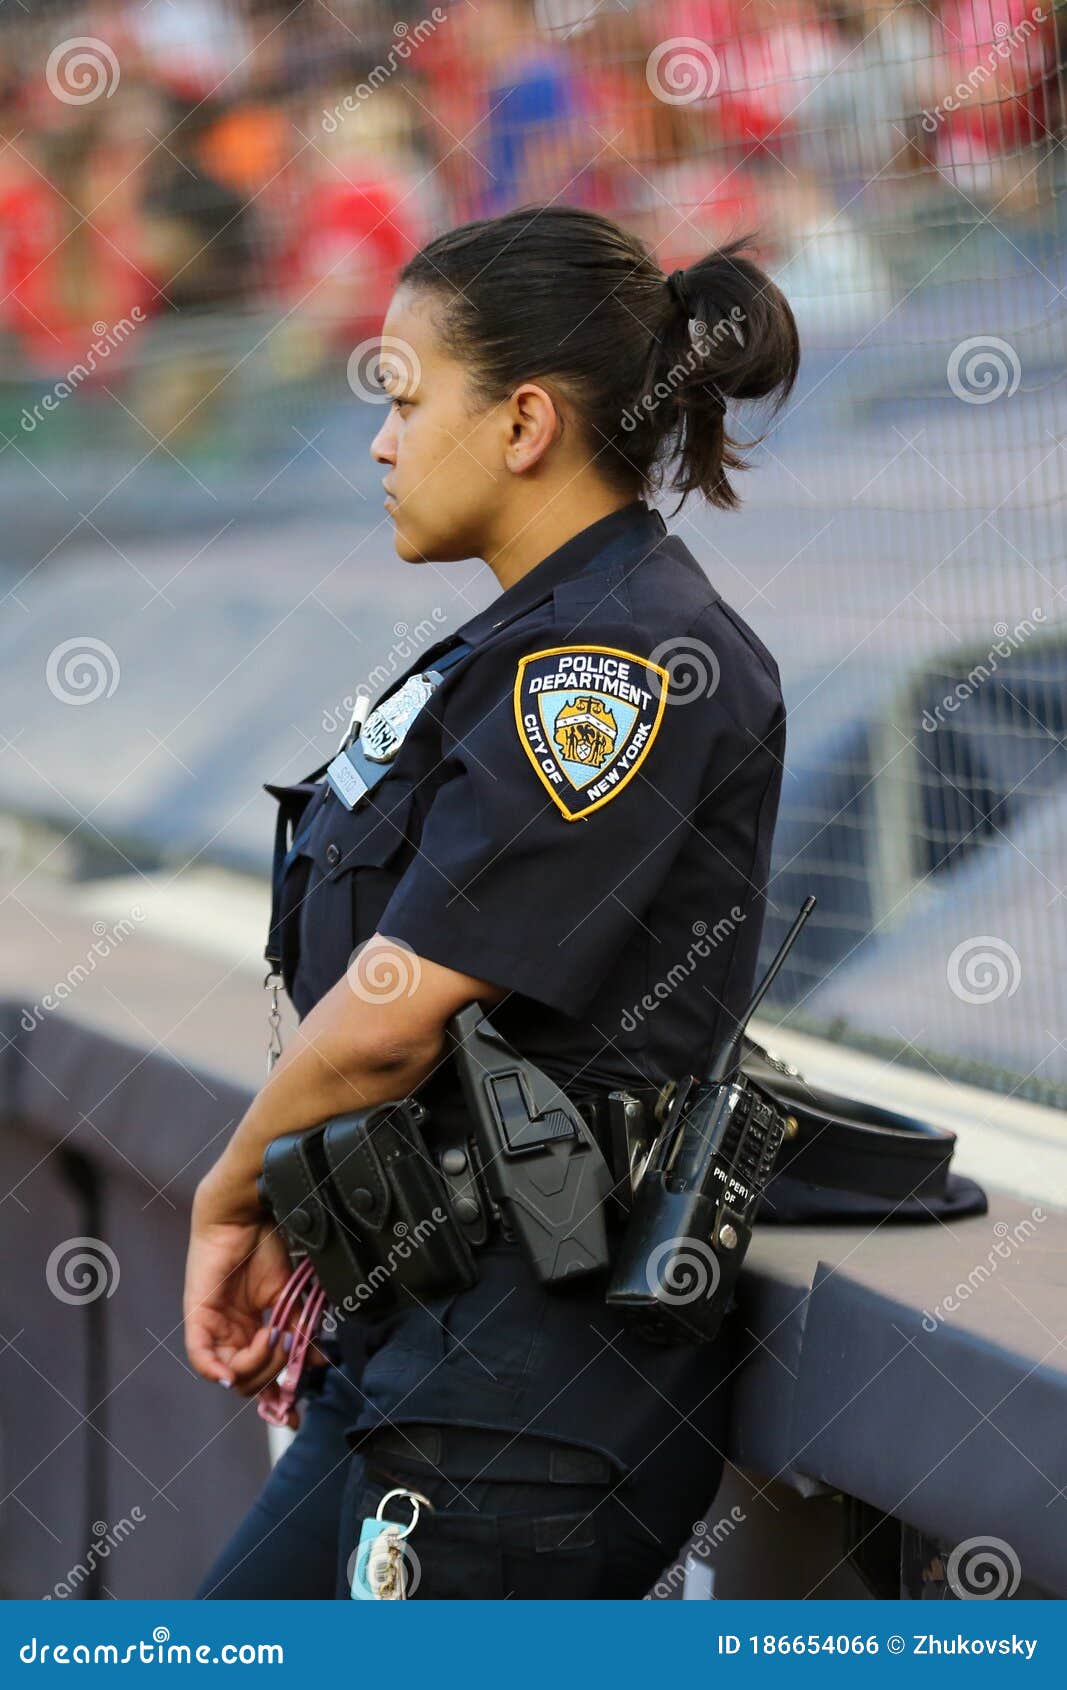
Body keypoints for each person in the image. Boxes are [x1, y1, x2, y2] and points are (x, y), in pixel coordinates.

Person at [183, 204, 799, 1600]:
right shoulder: (528, 638)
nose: (381, 442)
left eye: (404, 399)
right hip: (423, 1351)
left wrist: (234, 1192)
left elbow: (397, 1012)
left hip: (527, 1407)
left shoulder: (619, 658)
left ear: (524, 423)